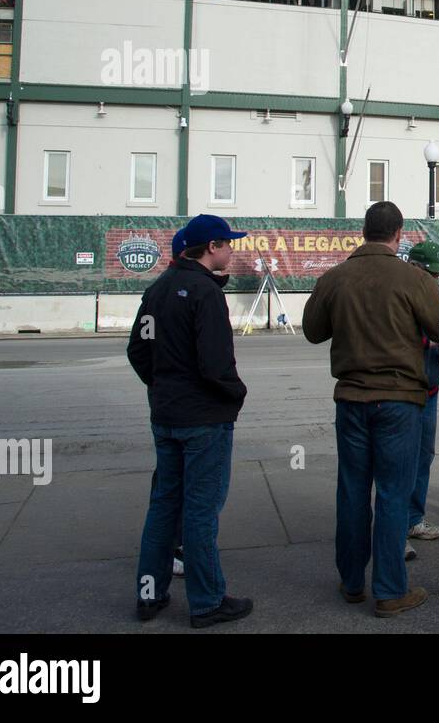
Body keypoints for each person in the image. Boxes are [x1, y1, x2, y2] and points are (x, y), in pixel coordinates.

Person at [302, 202, 439, 617]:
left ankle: (351, 582)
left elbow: (313, 331)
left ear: (364, 231)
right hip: (401, 402)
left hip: (350, 399)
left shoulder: (335, 277)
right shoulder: (414, 278)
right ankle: (389, 591)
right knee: (392, 493)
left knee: (351, 490)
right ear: (398, 233)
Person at [128, 214, 253, 628]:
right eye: (228, 244)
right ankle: (206, 602)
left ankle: (150, 593)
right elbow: (216, 363)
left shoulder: (158, 289)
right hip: (203, 418)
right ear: (212, 246)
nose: (232, 250)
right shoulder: (205, 293)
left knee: (163, 506)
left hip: (166, 414)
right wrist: (235, 394)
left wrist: (162, 384)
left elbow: (138, 350)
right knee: (200, 512)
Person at [404, 240, 439, 545]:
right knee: (401, 460)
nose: (435, 279)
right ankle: (395, 527)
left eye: (437, 275)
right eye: (430, 273)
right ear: (415, 267)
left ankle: (413, 519)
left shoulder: (438, 295)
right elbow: (395, 336)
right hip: (403, 390)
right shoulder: (399, 292)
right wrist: (429, 345)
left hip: (430, 389)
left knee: (424, 456)